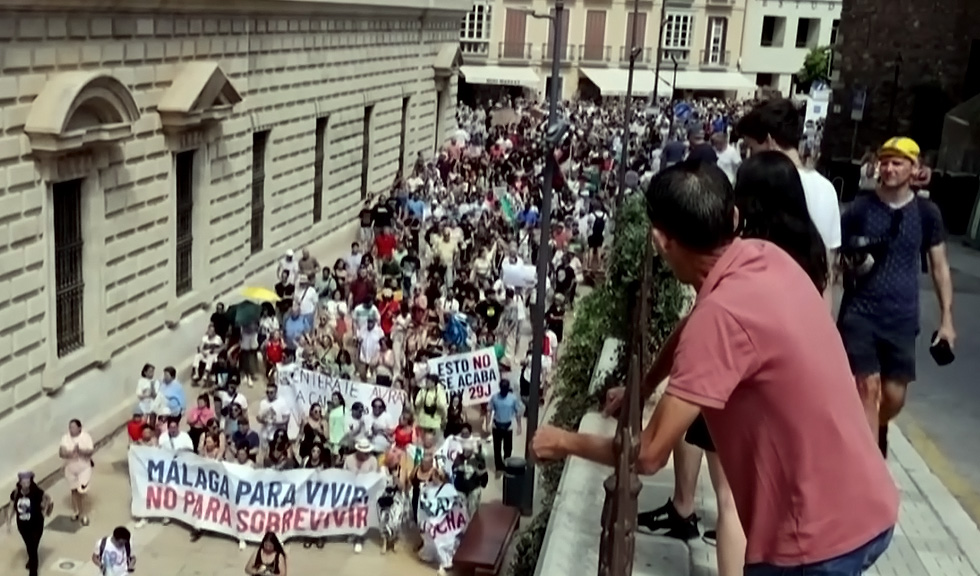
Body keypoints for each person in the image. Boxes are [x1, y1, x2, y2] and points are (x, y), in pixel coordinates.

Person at [534, 160, 898, 575]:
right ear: (735, 218)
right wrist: (646, 381)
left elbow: (650, 454)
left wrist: (562, 442)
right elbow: (695, 321)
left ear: (659, 240)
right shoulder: (763, 257)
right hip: (865, 506)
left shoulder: (721, 318)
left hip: (812, 542)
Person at [837, 137, 955, 454]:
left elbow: (940, 265)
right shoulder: (860, 208)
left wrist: (946, 321)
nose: (888, 168)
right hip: (860, 312)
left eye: (897, 162)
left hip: (901, 317)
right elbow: (834, 253)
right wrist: (848, 263)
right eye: (884, 161)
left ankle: (877, 427)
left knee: (893, 396)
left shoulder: (927, 213)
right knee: (867, 387)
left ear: (914, 168)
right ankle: (865, 464)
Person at [8, 471, 53, 576]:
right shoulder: (15, 493)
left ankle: (33, 572)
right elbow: (11, 507)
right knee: (30, 546)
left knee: (33, 546)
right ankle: (32, 561)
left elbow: (48, 498)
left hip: (37, 523)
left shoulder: (36, 491)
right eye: (24, 482)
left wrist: (44, 511)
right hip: (23, 525)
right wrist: (9, 521)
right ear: (20, 482)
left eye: (28, 482)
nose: (26, 484)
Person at [344, 439, 380, 553]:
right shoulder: (349, 459)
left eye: (366, 452)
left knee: (362, 516)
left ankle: (359, 539)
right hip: (351, 490)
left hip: (366, 492)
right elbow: (343, 474)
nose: (365, 454)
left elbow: (374, 478)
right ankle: (353, 533)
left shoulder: (373, 460)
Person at [59, 418, 94, 526]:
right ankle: (76, 511)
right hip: (70, 468)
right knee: (73, 490)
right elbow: (61, 453)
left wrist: (80, 451)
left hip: (84, 468)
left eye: (73, 427)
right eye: (70, 427)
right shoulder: (65, 438)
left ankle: (84, 512)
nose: (71, 429)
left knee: (81, 491)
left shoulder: (86, 437)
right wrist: (71, 453)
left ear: (79, 428)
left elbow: (90, 451)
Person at [488, 380, 523, 474]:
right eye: (502, 388)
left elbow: (517, 413)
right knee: (497, 448)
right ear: (500, 388)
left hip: (508, 426)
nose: (504, 390)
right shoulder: (494, 398)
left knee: (508, 448)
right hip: (497, 426)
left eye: (505, 388)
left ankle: (507, 463)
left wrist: (519, 426)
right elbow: (489, 410)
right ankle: (499, 467)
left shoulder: (513, 398)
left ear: (508, 388)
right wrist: (488, 423)